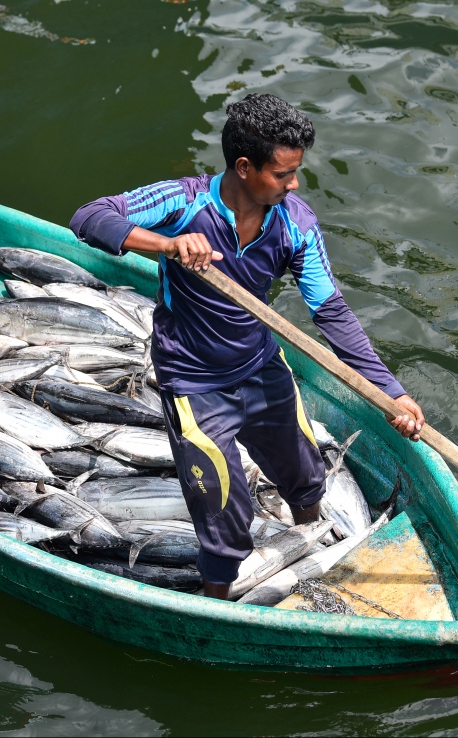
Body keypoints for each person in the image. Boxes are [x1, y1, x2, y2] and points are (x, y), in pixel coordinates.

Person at [69, 93, 425, 599]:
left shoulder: (295, 223)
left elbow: (331, 312)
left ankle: (314, 556)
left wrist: (391, 391)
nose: (294, 184)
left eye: (296, 171)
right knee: (225, 520)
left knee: (306, 476)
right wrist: (168, 244)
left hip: (260, 368)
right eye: (283, 174)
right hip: (194, 383)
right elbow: (90, 218)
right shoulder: (184, 200)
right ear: (244, 167)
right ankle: (215, 611)